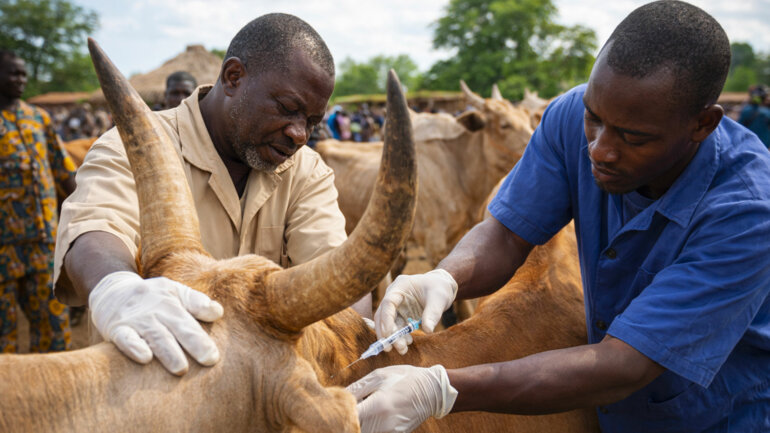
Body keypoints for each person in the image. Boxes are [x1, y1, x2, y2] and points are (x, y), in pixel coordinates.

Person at [349, 2, 770, 432]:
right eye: (595, 119)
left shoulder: (748, 214)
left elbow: (623, 365)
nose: (600, 149)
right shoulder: (570, 117)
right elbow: (509, 234)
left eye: (633, 137)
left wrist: (439, 390)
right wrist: (445, 278)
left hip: (714, 417)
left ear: (703, 124)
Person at [54, 13, 371, 376]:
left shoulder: (307, 171)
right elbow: (96, 226)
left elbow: (334, 269)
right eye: (287, 108)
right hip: (151, 385)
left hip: (262, 397)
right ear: (233, 77)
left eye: (312, 122)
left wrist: (356, 344)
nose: (300, 133)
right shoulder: (133, 146)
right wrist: (116, 287)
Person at [0, 50, 77, 353]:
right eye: (13, 73)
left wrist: (87, 206)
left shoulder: (38, 118)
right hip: (3, 249)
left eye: (23, 74)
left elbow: (63, 169)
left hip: (43, 243)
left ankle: (54, 397)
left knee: (53, 329)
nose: (21, 79)